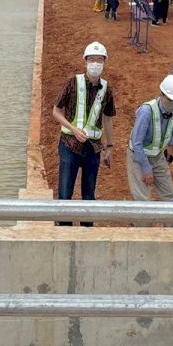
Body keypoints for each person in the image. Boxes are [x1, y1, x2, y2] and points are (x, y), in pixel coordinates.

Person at [52, 41, 116, 227]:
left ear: (104, 62)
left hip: (93, 148)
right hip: (69, 145)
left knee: (89, 193)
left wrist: (109, 147)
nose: (95, 63)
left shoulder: (106, 89)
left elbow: (108, 119)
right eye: (92, 59)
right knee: (65, 193)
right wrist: (73, 129)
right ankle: (64, 230)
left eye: (99, 60)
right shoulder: (73, 83)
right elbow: (56, 111)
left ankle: (87, 231)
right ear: (85, 61)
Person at [127, 74, 173, 224]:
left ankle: (170, 238)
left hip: (158, 156)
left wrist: (170, 147)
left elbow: (172, 128)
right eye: (171, 100)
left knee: (169, 196)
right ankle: (144, 239)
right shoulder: (146, 112)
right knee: (143, 202)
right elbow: (137, 142)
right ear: (162, 95)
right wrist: (146, 169)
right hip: (138, 158)